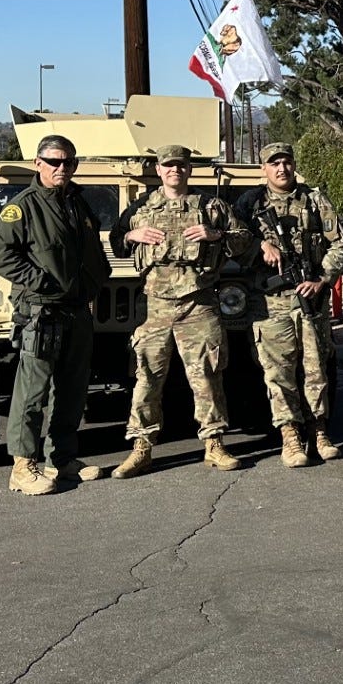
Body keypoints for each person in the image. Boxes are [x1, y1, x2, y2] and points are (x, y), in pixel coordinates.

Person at [108, 144, 252, 478]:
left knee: (207, 376)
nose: (175, 170)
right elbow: (116, 241)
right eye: (168, 165)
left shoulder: (211, 206)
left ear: (189, 169)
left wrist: (215, 234)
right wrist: (132, 233)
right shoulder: (142, 206)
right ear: (158, 170)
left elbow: (244, 239)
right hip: (156, 306)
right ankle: (141, 448)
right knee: (147, 377)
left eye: (181, 165)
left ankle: (214, 444)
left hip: (199, 302)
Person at [0, 133, 111, 496]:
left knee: (72, 388)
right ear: (37, 164)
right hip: (42, 310)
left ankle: (62, 458)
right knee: (32, 389)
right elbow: (0, 254)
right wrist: (39, 281)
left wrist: (95, 279)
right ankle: (23, 466)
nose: (61, 168)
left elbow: (89, 249)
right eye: (54, 161)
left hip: (76, 308)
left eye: (68, 162)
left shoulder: (76, 202)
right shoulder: (23, 207)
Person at [234, 142, 343, 467]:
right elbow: (231, 238)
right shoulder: (249, 203)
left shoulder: (313, 199)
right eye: (274, 163)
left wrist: (323, 278)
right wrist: (259, 245)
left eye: (286, 162)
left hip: (309, 297)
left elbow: (339, 243)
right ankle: (290, 437)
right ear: (263, 169)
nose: (281, 168)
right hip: (269, 303)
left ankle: (320, 431)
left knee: (316, 368)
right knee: (279, 372)